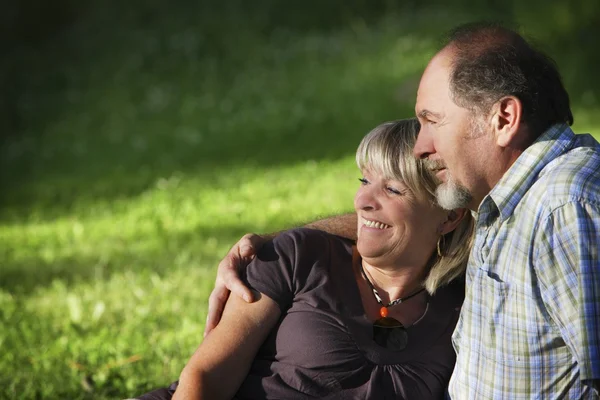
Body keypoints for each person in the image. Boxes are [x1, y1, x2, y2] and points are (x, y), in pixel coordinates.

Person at [208, 23, 600, 399]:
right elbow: (414, 222)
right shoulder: (509, 200)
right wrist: (271, 244)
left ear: (504, 119)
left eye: (432, 121)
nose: (420, 146)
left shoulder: (565, 209)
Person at [136, 119, 474, 399]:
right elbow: (205, 379)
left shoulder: (466, 305)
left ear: (449, 217)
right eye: (365, 180)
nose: (363, 201)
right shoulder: (302, 256)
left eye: (393, 189)